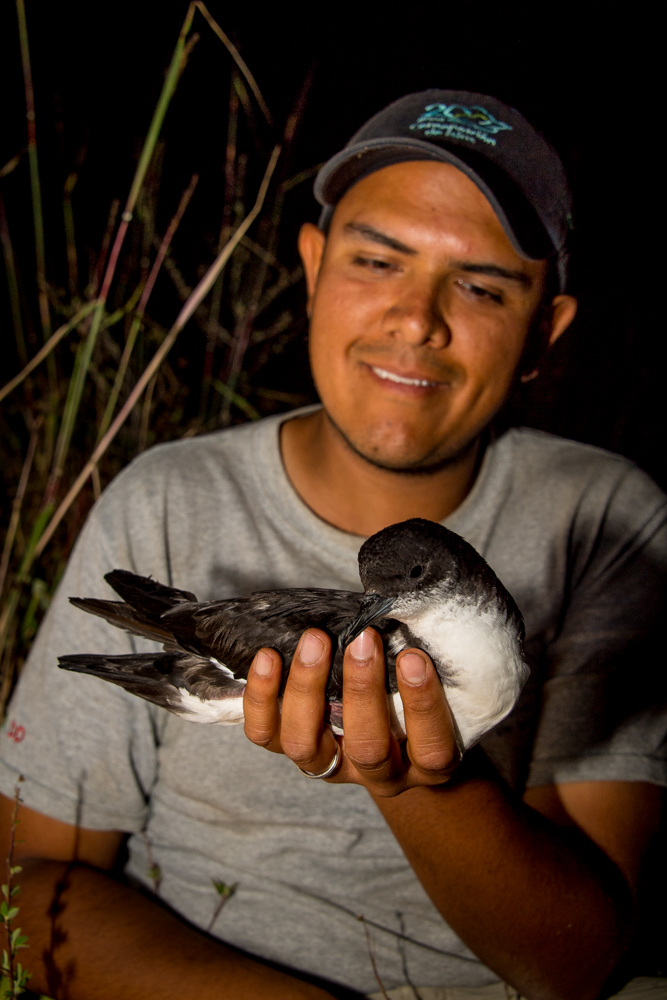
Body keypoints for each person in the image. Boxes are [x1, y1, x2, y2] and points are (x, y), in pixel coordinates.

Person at [1, 89, 666, 1000]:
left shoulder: (611, 520)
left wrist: (408, 779)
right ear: (310, 267)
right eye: (376, 259)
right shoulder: (166, 496)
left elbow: (579, 963)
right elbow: (25, 886)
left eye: (479, 285)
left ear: (544, 331)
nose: (415, 319)